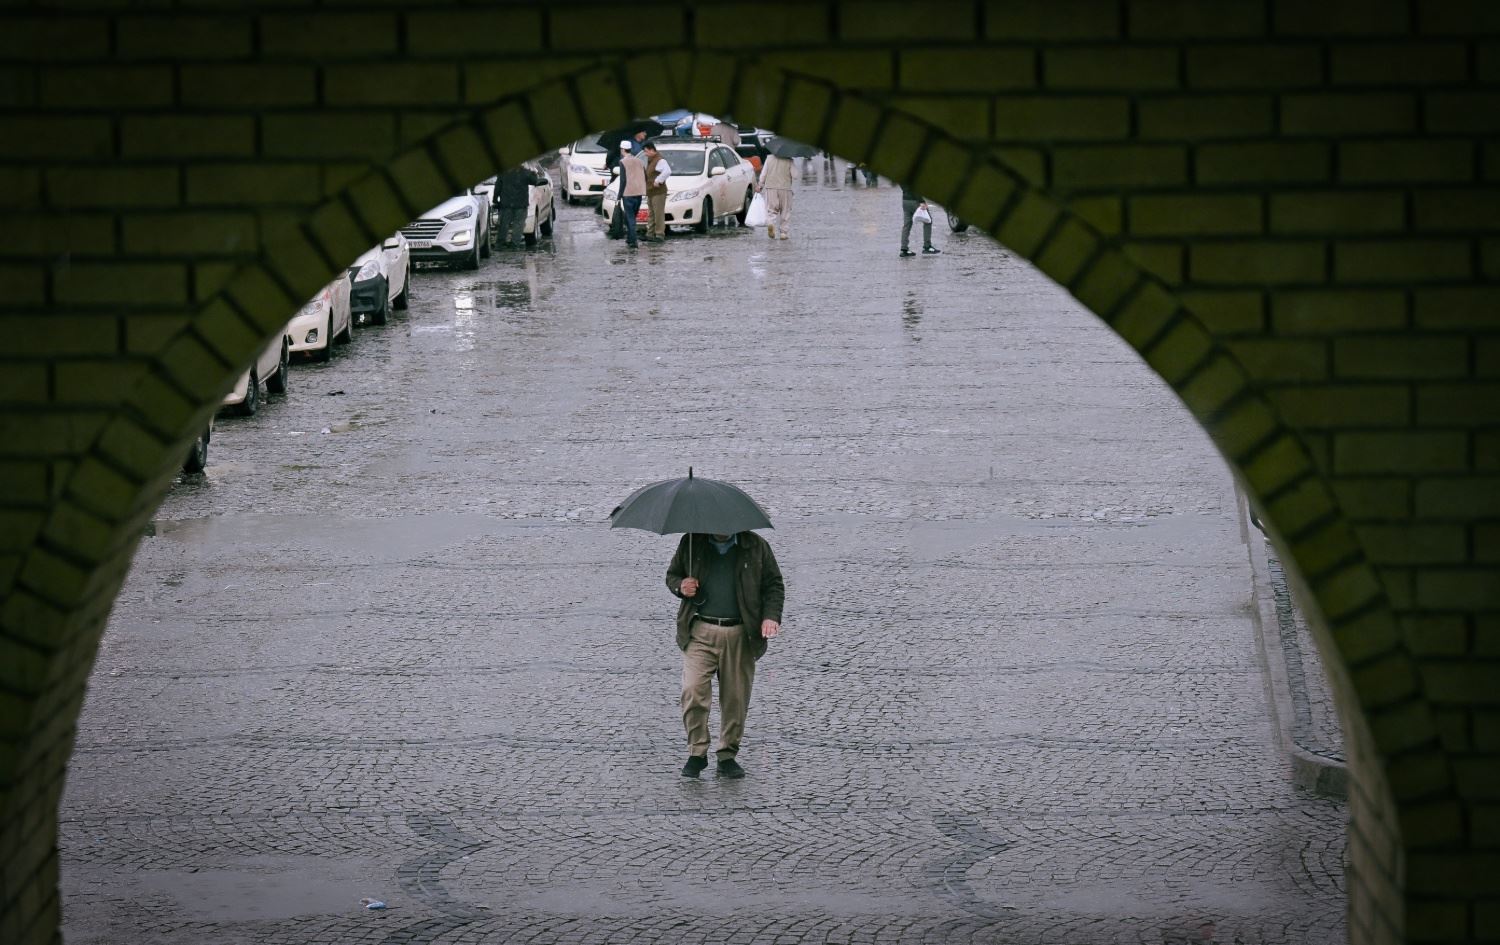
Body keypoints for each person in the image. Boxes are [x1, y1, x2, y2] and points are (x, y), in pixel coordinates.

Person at [666, 531, 785, 779]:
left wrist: (770, 616)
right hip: (699, 630)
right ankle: (697, 753)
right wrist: (681, 586)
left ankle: (727, 755)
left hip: (741, 633)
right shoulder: (692, 542)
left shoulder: (755, 545)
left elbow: (773, 584)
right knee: (693, 690)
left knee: (735, 698)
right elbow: (672, 575)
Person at [493, 164, 544, 250]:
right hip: (521, 204)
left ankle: (500, 244)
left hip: (506, 204)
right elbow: (535, 181)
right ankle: (514, 245)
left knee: (503, 225)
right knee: (518, 225)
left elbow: (498, 187)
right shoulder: (525, 173)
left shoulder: (503, 172)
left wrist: (495, 199)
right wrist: (534, 172)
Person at [757, 150, 794, 240]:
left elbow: (763, 174)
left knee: (771, 209)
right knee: (785, 211)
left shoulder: (769, 158)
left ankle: (771, 223)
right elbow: (795, 175)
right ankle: (783, 233)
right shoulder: (789, 160)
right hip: (785, 188)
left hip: (771, 188)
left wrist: (760, 185)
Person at [640, 141, 671, 243]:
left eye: (646, 151)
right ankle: (650, 233)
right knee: (652, 214)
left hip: (658, 192)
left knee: (658, 214)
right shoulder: (651, 160)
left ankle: (659, 234)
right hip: (651, 191)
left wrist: (658, 180)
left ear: (652, 150)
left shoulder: (660, 160)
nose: (645, 153)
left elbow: (667, 171)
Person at [616, 141, 645, 249]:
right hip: (639, 193)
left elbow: (623, 180)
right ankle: (629, 238)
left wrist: (619, 196)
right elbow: (644, 176)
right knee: (632, 216)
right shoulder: (639, 161)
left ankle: (633, 241)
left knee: (630, 218)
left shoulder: (622, 162)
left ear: (622, 149)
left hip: (627, 193)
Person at [900, 183, 940, 257]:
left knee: (906, 225)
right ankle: (927, 246)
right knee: (928, 221)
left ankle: (904, 249)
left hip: (905, 201)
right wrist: (921, 201)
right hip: (915, 200)